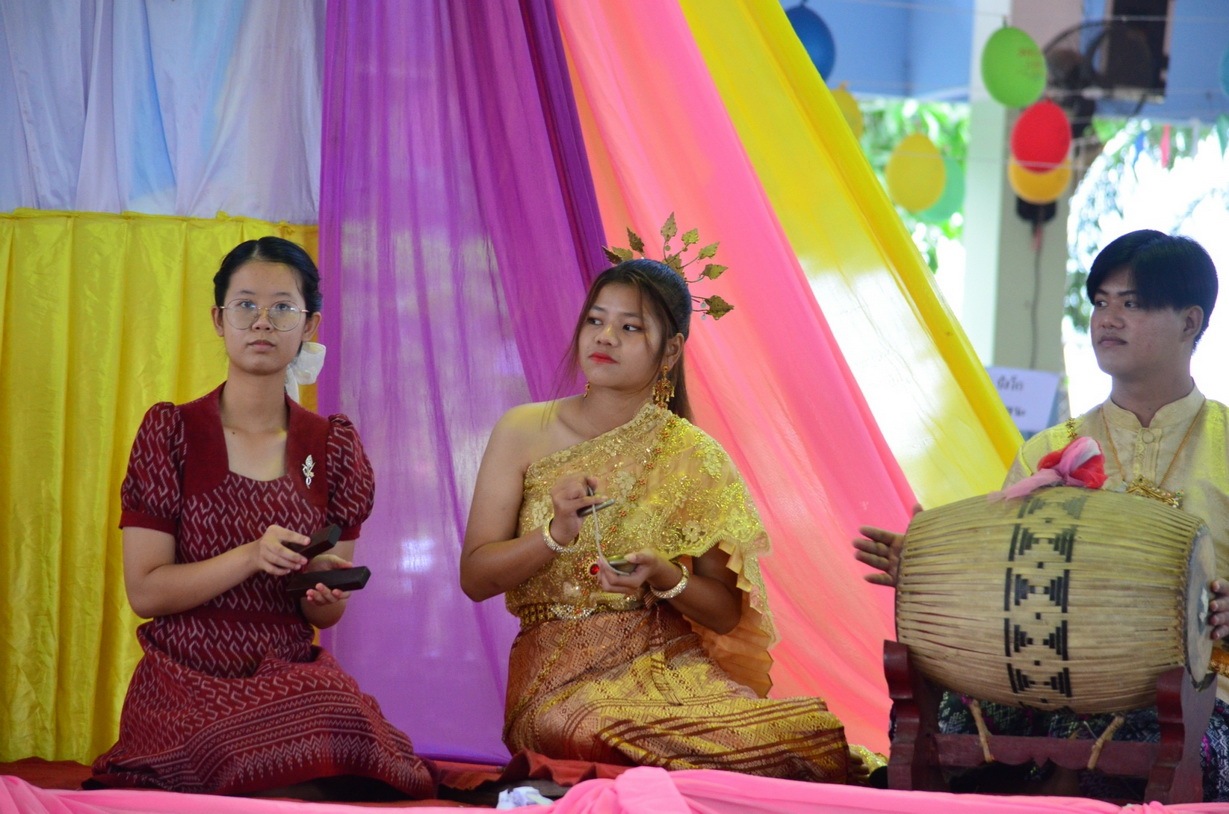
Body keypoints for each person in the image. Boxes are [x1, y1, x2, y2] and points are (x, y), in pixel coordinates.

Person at [461, 253, 872, 784]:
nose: (605, 337)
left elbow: (724, 614)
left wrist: (664, 574)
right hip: (557, 683)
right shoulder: (521, 430)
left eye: (630, 327)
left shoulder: (694, 456)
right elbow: (476, 578)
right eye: (595, 320)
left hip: (671, 666)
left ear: (670, 351)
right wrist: (555, 534)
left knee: (802, 735)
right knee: (586, 728)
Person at [854, 229, 1229, 799]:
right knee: (954, 722)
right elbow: (1006, 581)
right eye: (1100, 302)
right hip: (1049, 681)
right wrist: (937, 573)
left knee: (1139, 738)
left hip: (1202, 689)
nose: (1107, 319)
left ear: (1190, 322)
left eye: (1132, 303)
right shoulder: (1050, 449)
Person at [90, 237, 437, 799]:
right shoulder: (171, 433)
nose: (262, 322)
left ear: (309, 325)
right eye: (245, 305)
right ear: (218, 319)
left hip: (287, 678)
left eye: (282, 308)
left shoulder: (333, 446)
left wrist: (323, 590)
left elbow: (324, 612)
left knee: (342, 714)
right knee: (249, 744)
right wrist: (251, 556)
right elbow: (146, 593)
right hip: (185, 683)